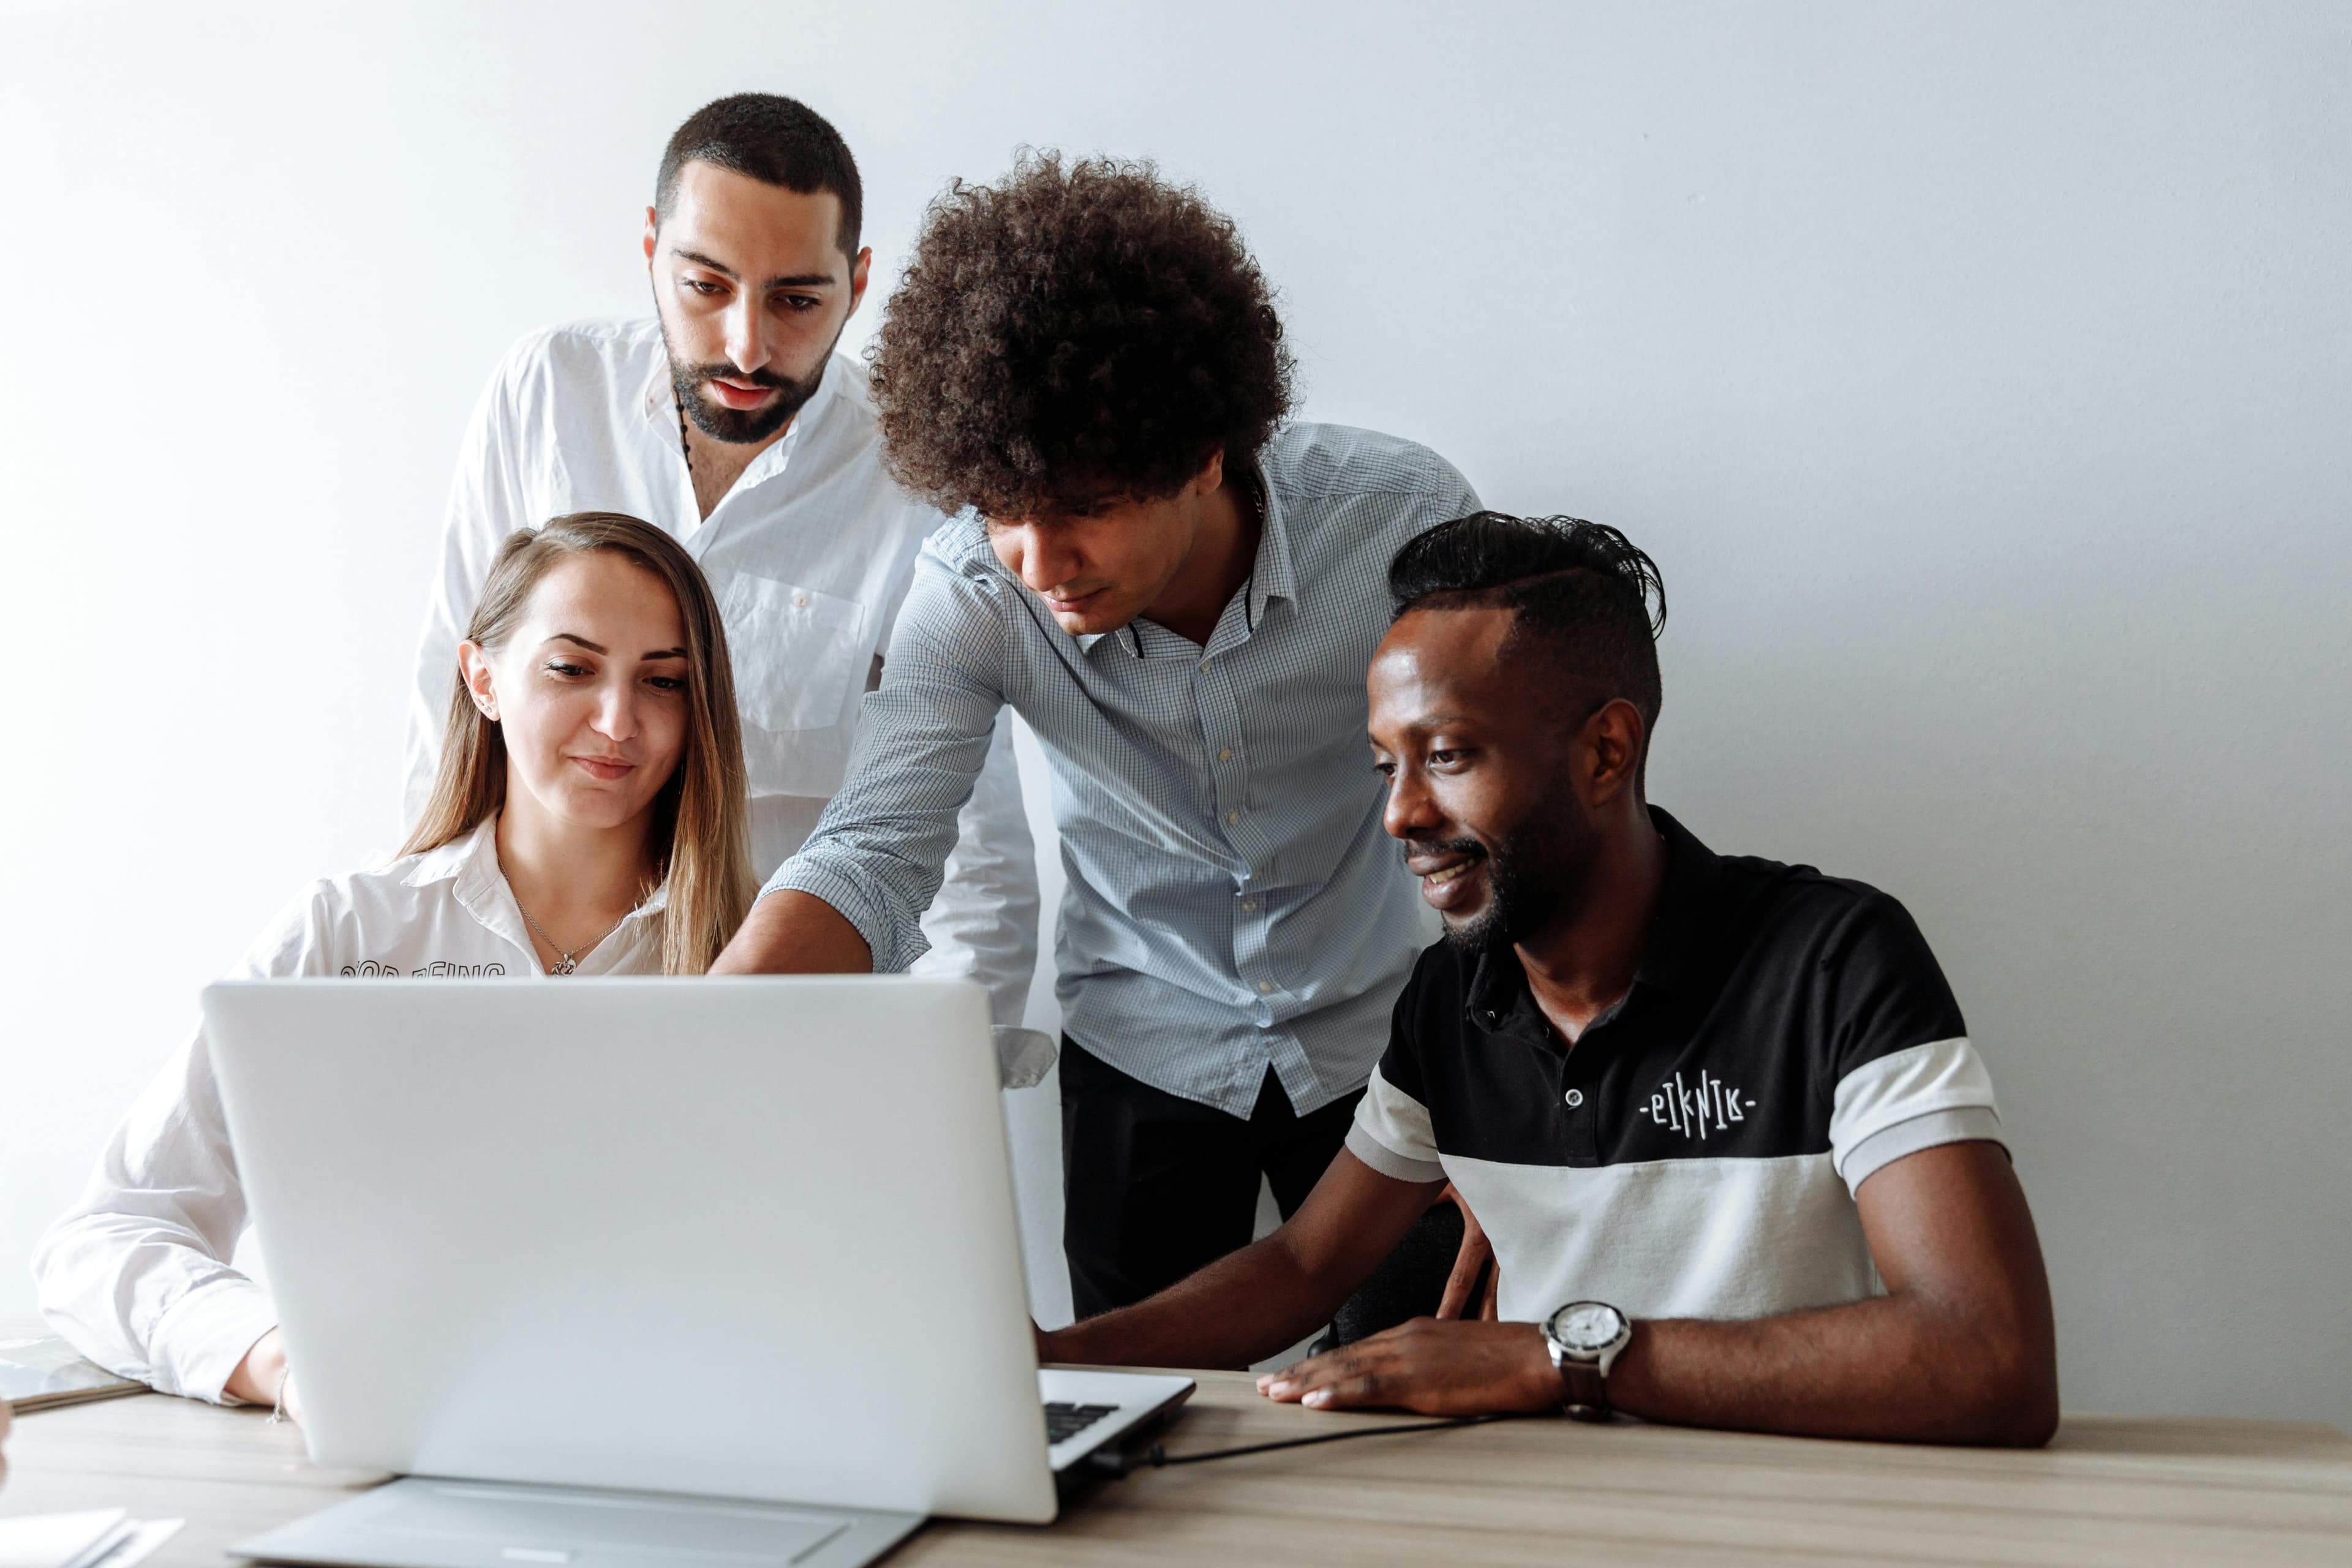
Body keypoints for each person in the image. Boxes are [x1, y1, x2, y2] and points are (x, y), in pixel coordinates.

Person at [1040, 513, 2061, 1447]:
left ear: (1607, 751)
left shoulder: (1836, 960)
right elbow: (1303, 1268)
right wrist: (1041, 1364)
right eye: (1383, 766)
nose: (1399, 814)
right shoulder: (1448, 1001)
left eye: (1445, 756)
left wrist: (1552, 1358)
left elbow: (1990, 1359)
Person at [713, 153, 1483, 1335]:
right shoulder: (974, 592)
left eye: (1085, 506)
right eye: (1002, 510)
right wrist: (695, 1054)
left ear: (1202, 452)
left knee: (1414, 1419)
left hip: (1393, 1035)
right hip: (1146, 1046)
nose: (1040, 560)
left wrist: (1528, 1099)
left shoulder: (1400, 522)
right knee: (1139, 1431)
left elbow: (1510, 812)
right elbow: (874, 849)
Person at [36, 514, 755, 1417]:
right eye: (572, 669)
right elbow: (102, 1239)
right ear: (482, 679)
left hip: (676, 1430)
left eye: (664, 681)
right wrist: (281, 1363)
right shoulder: (346, 932)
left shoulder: (756, 956)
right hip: (384, 1438)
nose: (618, 721)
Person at [405, 92, 1043, 1074]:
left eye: (797, 300)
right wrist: (417, 990)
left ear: (859, 281)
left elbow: (968, 829)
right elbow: (448, 723)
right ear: (652, 246)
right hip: (537, 1020)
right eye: (706, 286)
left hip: (793, 1051)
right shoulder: (546, 393)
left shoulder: (916, 467)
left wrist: (938, 1082)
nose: (748, 347)